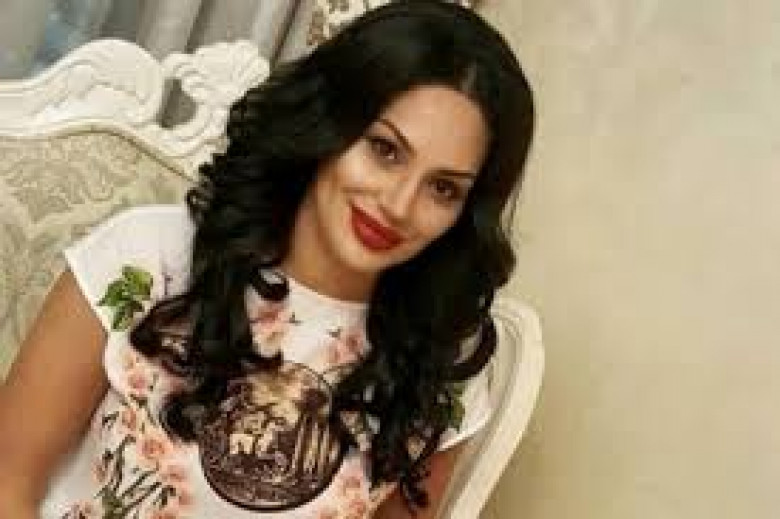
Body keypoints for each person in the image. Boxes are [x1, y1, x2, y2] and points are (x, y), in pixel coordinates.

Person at [0, 0, 534, 517]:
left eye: (443, 188)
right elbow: (6, 485)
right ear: (329, 123)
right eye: (384, 149)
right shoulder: (147, 261)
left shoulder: (439, 368)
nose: (398, 204)